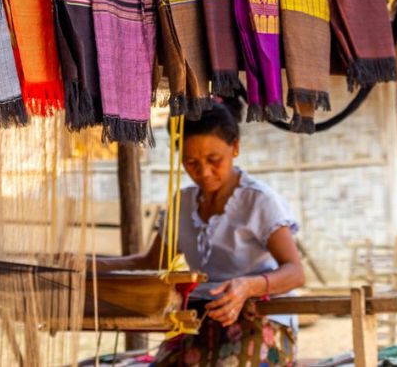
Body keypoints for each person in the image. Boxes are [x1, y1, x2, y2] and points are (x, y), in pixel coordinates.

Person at [96, 98, 305, 366]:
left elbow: (295, 271)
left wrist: (247, 287)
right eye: (191, 162)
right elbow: (152, 262)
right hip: (198, 320)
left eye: (213, 160)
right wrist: (90, 265)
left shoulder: (259, 201)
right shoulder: (182, 204)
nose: (204, 172)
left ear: (235, 147)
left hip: (261, 316)